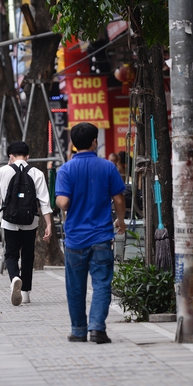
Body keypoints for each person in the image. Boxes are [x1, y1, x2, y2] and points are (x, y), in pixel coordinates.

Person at [55, 122, 127, 344]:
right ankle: (97, 328)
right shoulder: (107, 167)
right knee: (102, 284)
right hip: (101, 237)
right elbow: (118, 198)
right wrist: (121, 220)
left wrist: (62, 200)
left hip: (75, 239)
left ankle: (78, 331)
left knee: (75, 287)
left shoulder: (66, 169)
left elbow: (63, 202)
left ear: (73, 145)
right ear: (95, 141)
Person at [0, 141, 53, 306]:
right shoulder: (37, 173)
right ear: (28, 156)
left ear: (10, 156)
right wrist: (48, 225)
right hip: (30, 221)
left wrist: (6, 166)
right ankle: (25, 293)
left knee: (11, 254)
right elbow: (45, 202)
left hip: (9, 221)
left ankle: (14, 278)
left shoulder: (3, 171)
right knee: (28, 255)